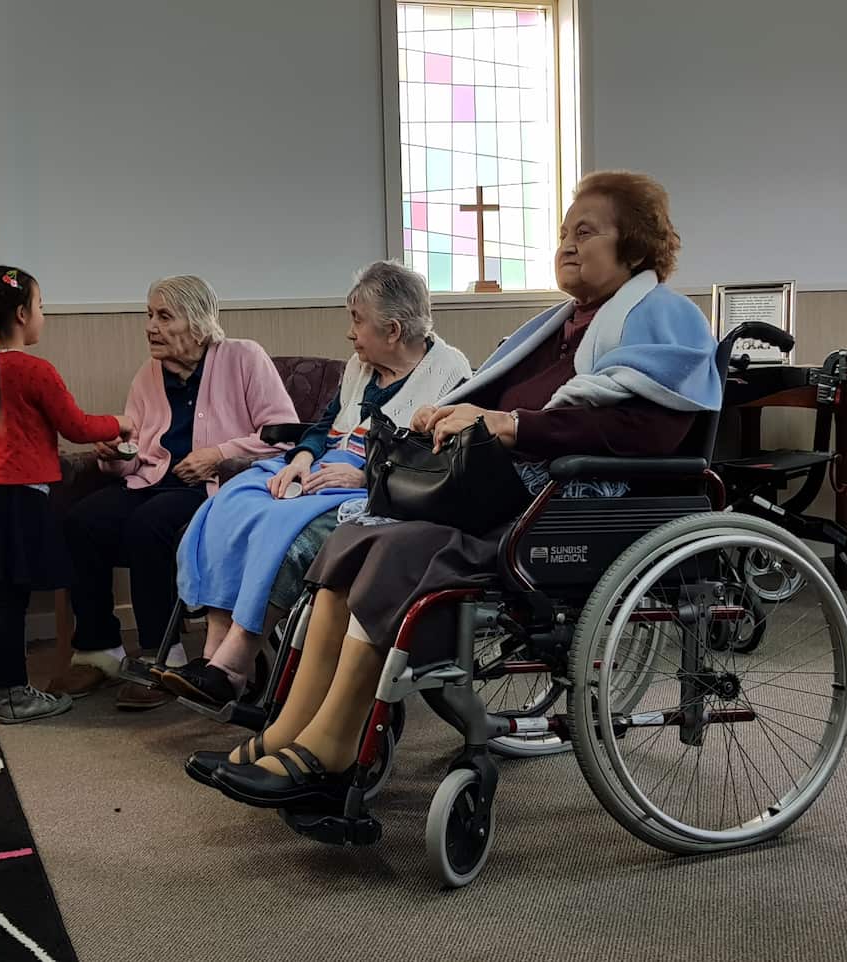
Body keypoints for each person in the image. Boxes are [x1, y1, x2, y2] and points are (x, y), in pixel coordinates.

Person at [189, 170, 724, 806]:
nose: (567, 244)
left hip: (580, 503)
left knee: (399, 553)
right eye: (562, 232)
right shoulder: (562, 325)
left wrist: (507, 423)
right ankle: (287, 730)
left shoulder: (664, 317)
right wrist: (449, 414)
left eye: (586, 232)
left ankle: (331, 745)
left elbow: (645, 432)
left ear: (635, 245)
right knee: (352, 543)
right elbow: (494, 405)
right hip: (518, 490)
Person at [161, 261, 470, 710]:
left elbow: (436, 458)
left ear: (393, 330)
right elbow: (324, 424)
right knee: (231, 502)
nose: (350, 333)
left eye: (357, 321)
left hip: (382, 480)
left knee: (279, 526)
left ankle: (232, 665)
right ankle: (213, 653)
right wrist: (302, 458)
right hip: (324, 466)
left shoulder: (450, 376)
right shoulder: (361, 366)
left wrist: (365, 475)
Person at [59, 275, 297, 710]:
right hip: (150, 479)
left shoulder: (243, 357)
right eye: (149, 315)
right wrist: (118, 453)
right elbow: (137, 455)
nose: (150, 326)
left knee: (149, 527)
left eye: (164, 316)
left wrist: (219, 454)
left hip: (214, 488)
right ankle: (99, 650)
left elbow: (283, 434)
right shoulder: (148, 375)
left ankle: (161, 655)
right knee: (81, 522)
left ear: (199, 321)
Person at [0, 266, 132, 724]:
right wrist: (120, 423)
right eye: (42, 306)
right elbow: (76, 425)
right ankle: (15, 693)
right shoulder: (34, 370)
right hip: (21, 495)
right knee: (13, 592)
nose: (44, 316)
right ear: (22, 313)